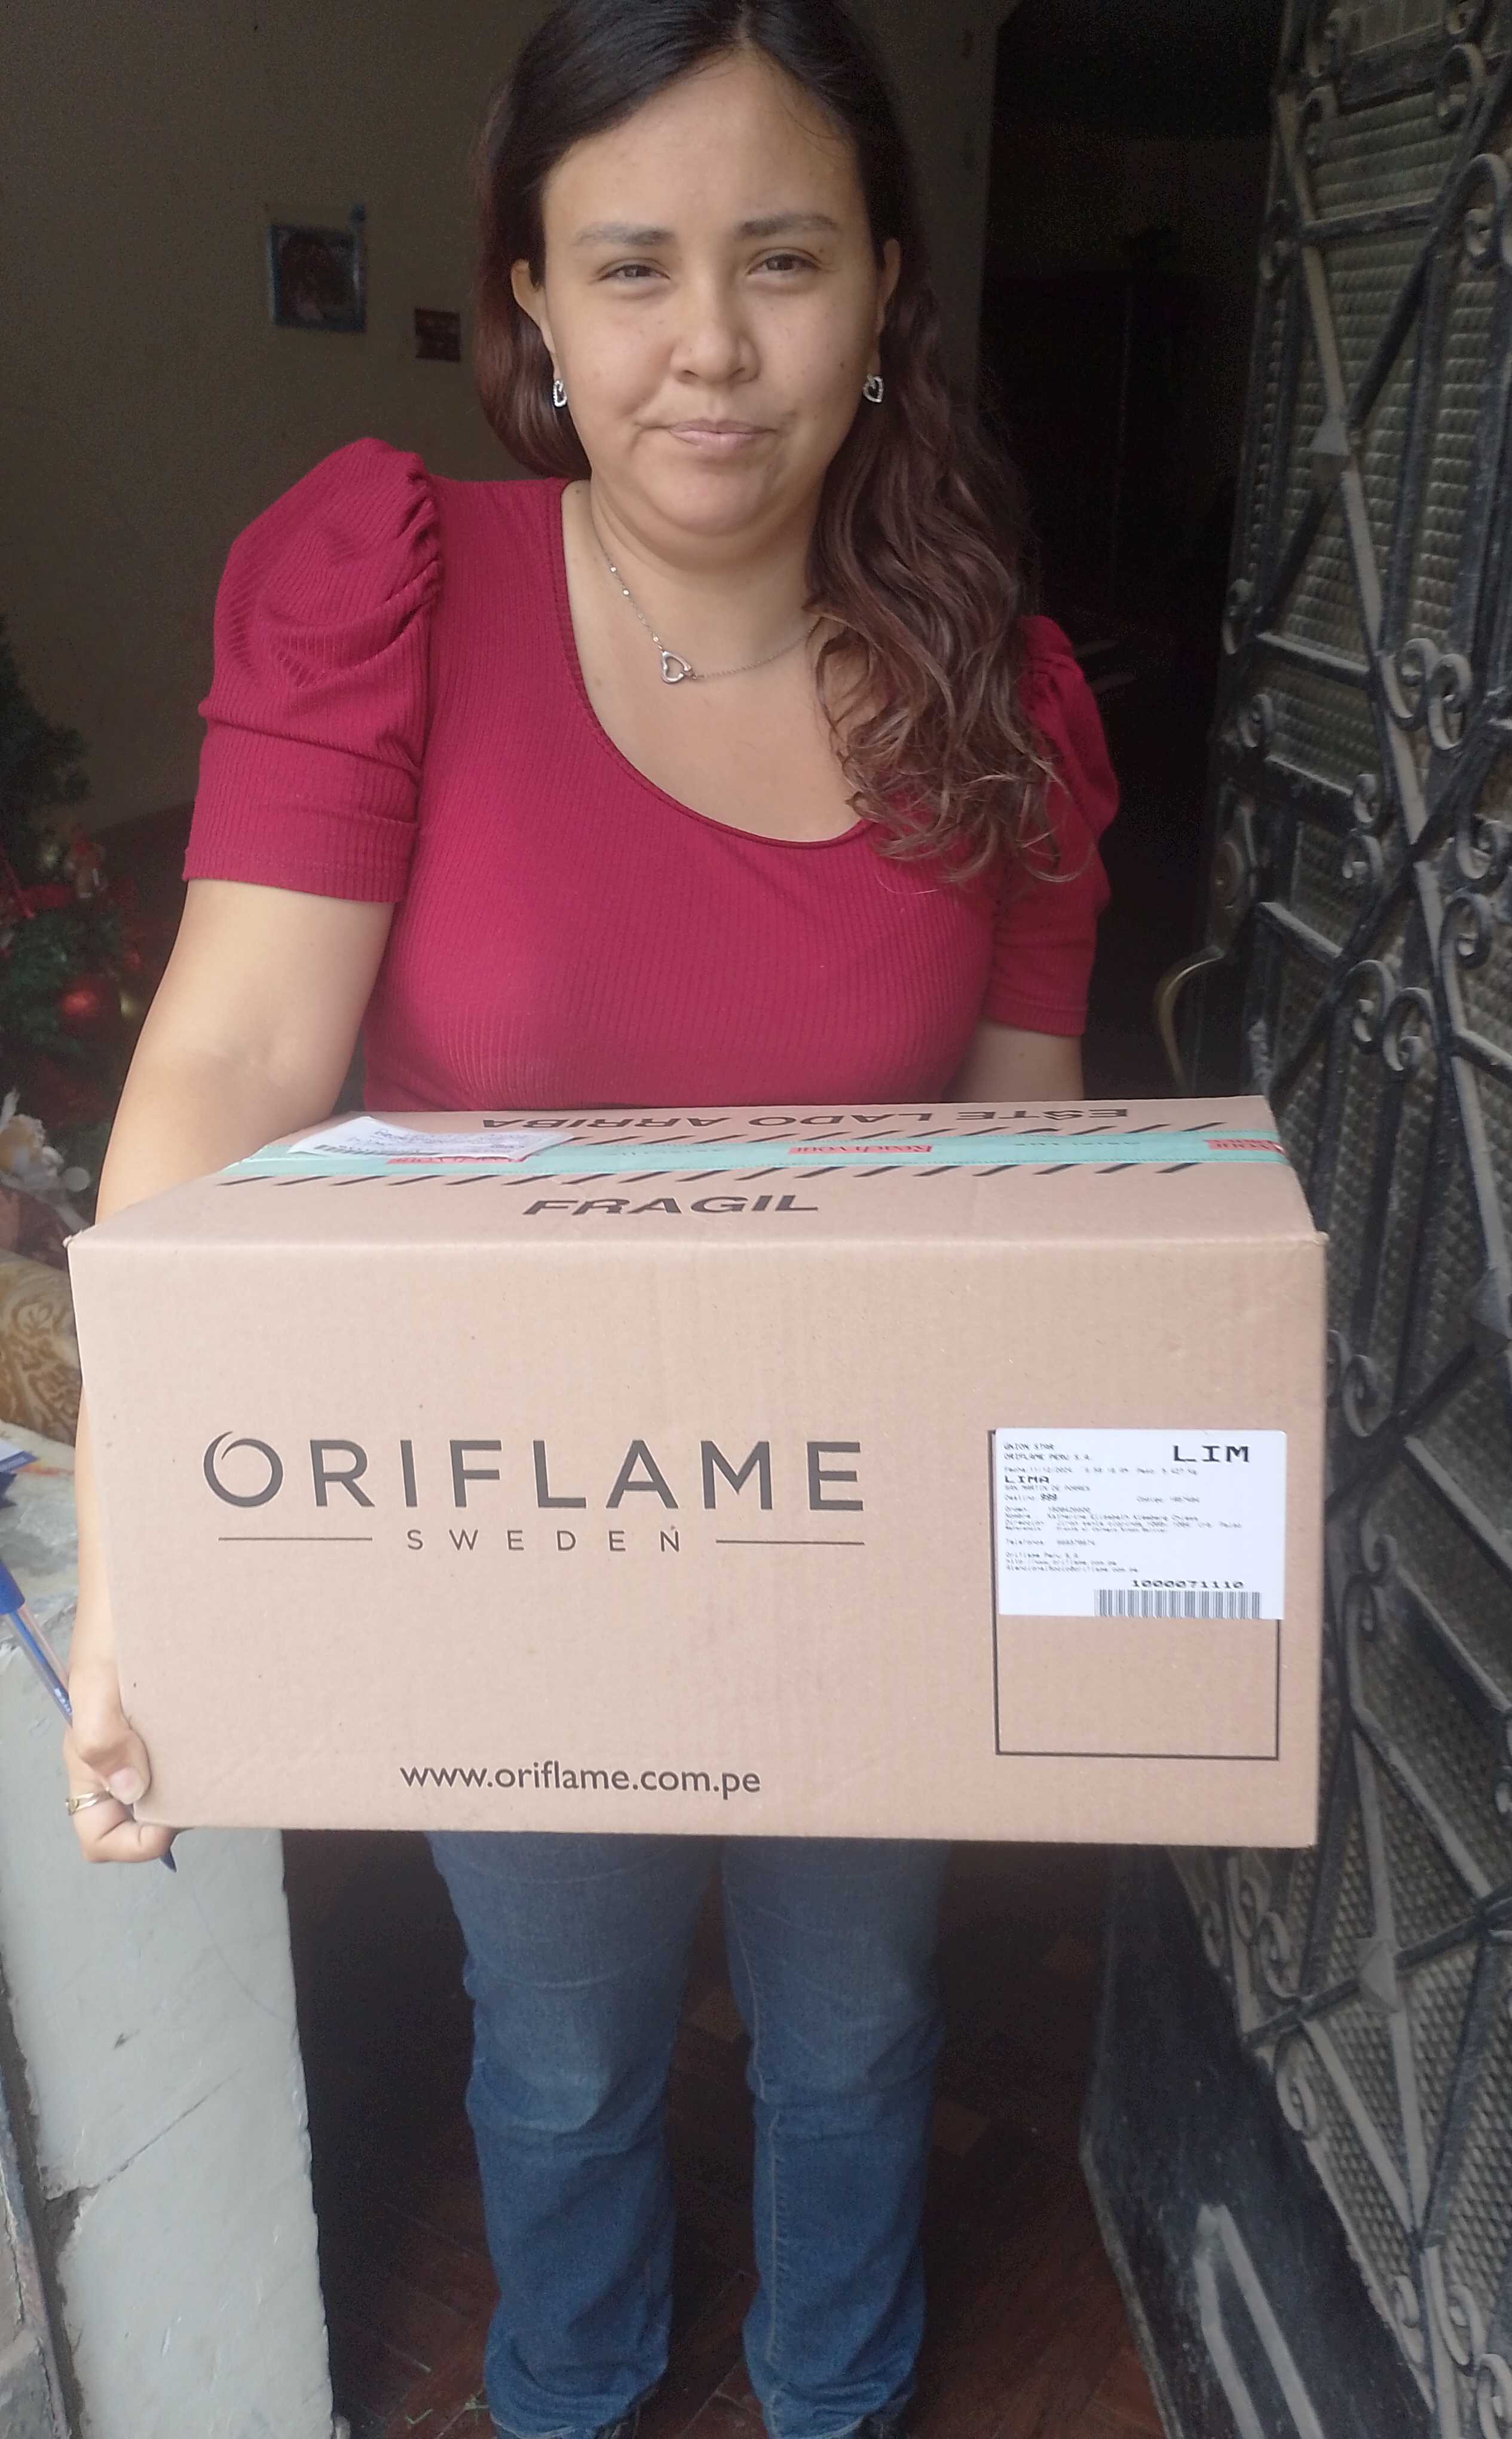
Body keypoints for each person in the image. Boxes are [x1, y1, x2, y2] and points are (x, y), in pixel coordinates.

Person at [62, 4, 1118, 2434]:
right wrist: (142, 1560)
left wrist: (1070, 1603)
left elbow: (1027, 1169)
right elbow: (226, 1072)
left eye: (785, 259)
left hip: (851, 1521)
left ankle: (837, 2388)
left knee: (858, 2025)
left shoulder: (1002, 696)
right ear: (531, 297)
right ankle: (571, 2388)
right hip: (500, 1520)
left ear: (886, 291)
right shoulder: (390, 586)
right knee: (557, 2043)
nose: (710, 347)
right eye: (632, 266)